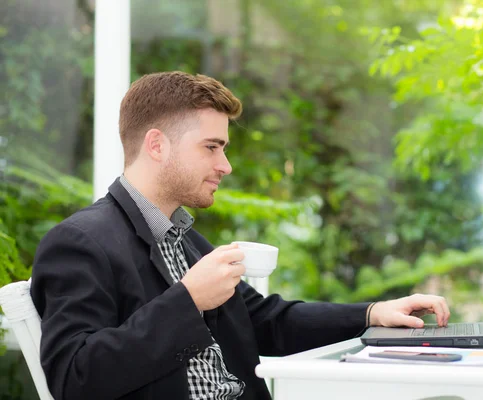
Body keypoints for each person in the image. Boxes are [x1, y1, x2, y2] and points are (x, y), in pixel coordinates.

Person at [30, 71, 450, 400]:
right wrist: (188, 301)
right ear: (156, 146)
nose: (225, 165)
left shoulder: (185, 240)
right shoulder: (80, 243)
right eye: (212, 147)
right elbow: (75, 379)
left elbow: (270, 322)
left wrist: (372, 313)